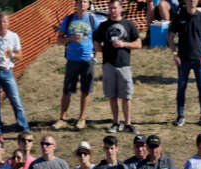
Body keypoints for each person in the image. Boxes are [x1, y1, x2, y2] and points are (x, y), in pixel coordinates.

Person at [0, 12, 30, 137]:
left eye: (4, 22)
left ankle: (24, 127)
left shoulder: (13, 36)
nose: (2, 24)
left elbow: (20, 55)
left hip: (7, 72)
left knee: (15, 99)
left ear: (8, 23)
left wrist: (11, 54)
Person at [95, 0, 142, 134]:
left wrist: (123, 45)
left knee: (126, 95)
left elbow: (138, 44)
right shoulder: (103, 26)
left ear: (120, 9)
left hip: (124, 64)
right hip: (108, 64)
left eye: (115, 8)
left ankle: (128, 123)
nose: (112, 11)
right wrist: (102, 49)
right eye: (110, 8)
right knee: (112, 95)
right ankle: (116, 123)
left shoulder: (128, 24)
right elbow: (96, 42)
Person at [169, 0, 201, 128]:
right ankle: (180, 116)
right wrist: (175, 55)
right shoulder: (179, 18)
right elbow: (171, 38)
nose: (192, 2)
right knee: (181, 88)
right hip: (183, 60)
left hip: (199, 60)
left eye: (194, 0)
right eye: (189, 0)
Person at [54, 0, 98, 133]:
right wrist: (69, 39)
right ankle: (62, 117)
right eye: (79, 1)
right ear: (76, 4)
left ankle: (82, 118)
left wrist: (95, 57)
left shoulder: (92, 19)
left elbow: (97, 39)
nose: (81, 4)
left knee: (86, 90)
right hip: (72, 59)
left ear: (88, 5)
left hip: (87, 60)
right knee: (67, 90)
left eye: (84, 2)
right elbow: (59, 39)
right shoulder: (68, 19)